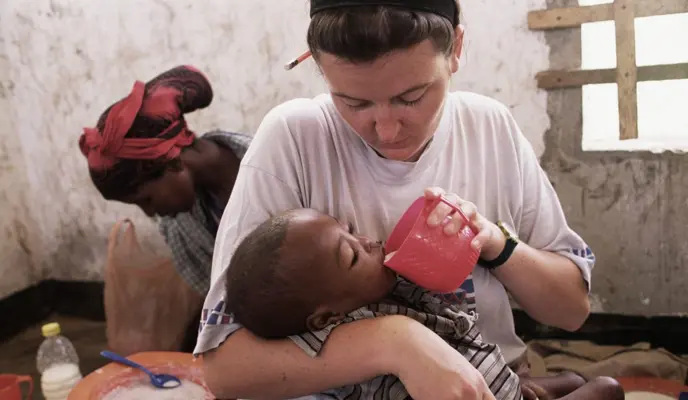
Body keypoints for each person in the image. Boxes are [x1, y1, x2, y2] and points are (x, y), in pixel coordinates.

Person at [195, 1, 611, 399]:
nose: (387, 129)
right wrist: (397, 342)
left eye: (411, 97)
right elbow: (225, 369)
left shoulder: (489, 128)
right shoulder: (294, 137)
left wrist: (495, 244)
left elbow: (571, 310)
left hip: (492, 380)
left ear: (456, 51)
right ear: (320, 68)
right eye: (353, 102)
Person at [221, 208, 624, 400]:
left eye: (351, 230)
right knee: (606, 389)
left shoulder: (386, 292)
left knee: (571, 379)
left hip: (505, 381)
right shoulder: (353, 357)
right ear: (328, 316)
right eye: (353, 256)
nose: (368, 241)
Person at [79, 65, 251, 351]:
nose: (150, 213)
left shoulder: (277, 166)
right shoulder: (179, 227)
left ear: (170, 162)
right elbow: (220, 296)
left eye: (145, 199)